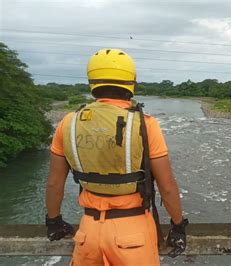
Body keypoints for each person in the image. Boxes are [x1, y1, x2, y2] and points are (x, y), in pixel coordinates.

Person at [45, 48, 188, 265]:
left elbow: (55, 183)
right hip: (134, 235)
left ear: (93, 83)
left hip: (87, 233)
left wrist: (54, 221)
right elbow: (167, 186)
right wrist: (177, 226)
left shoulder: (68, 122)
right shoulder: (145, 124)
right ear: (131, 83)